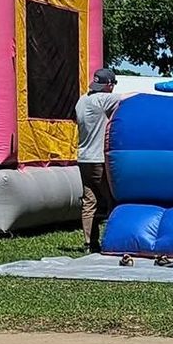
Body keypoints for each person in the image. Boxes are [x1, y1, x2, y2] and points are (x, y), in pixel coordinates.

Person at [74, 68, 124, 255]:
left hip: (83, 158)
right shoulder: (103, 99)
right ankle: (114, 240)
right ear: (109, 85)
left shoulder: (82, 100)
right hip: (98, 159)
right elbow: (129, 97)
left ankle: (89, 243)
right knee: (112, 199)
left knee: (89, 201)